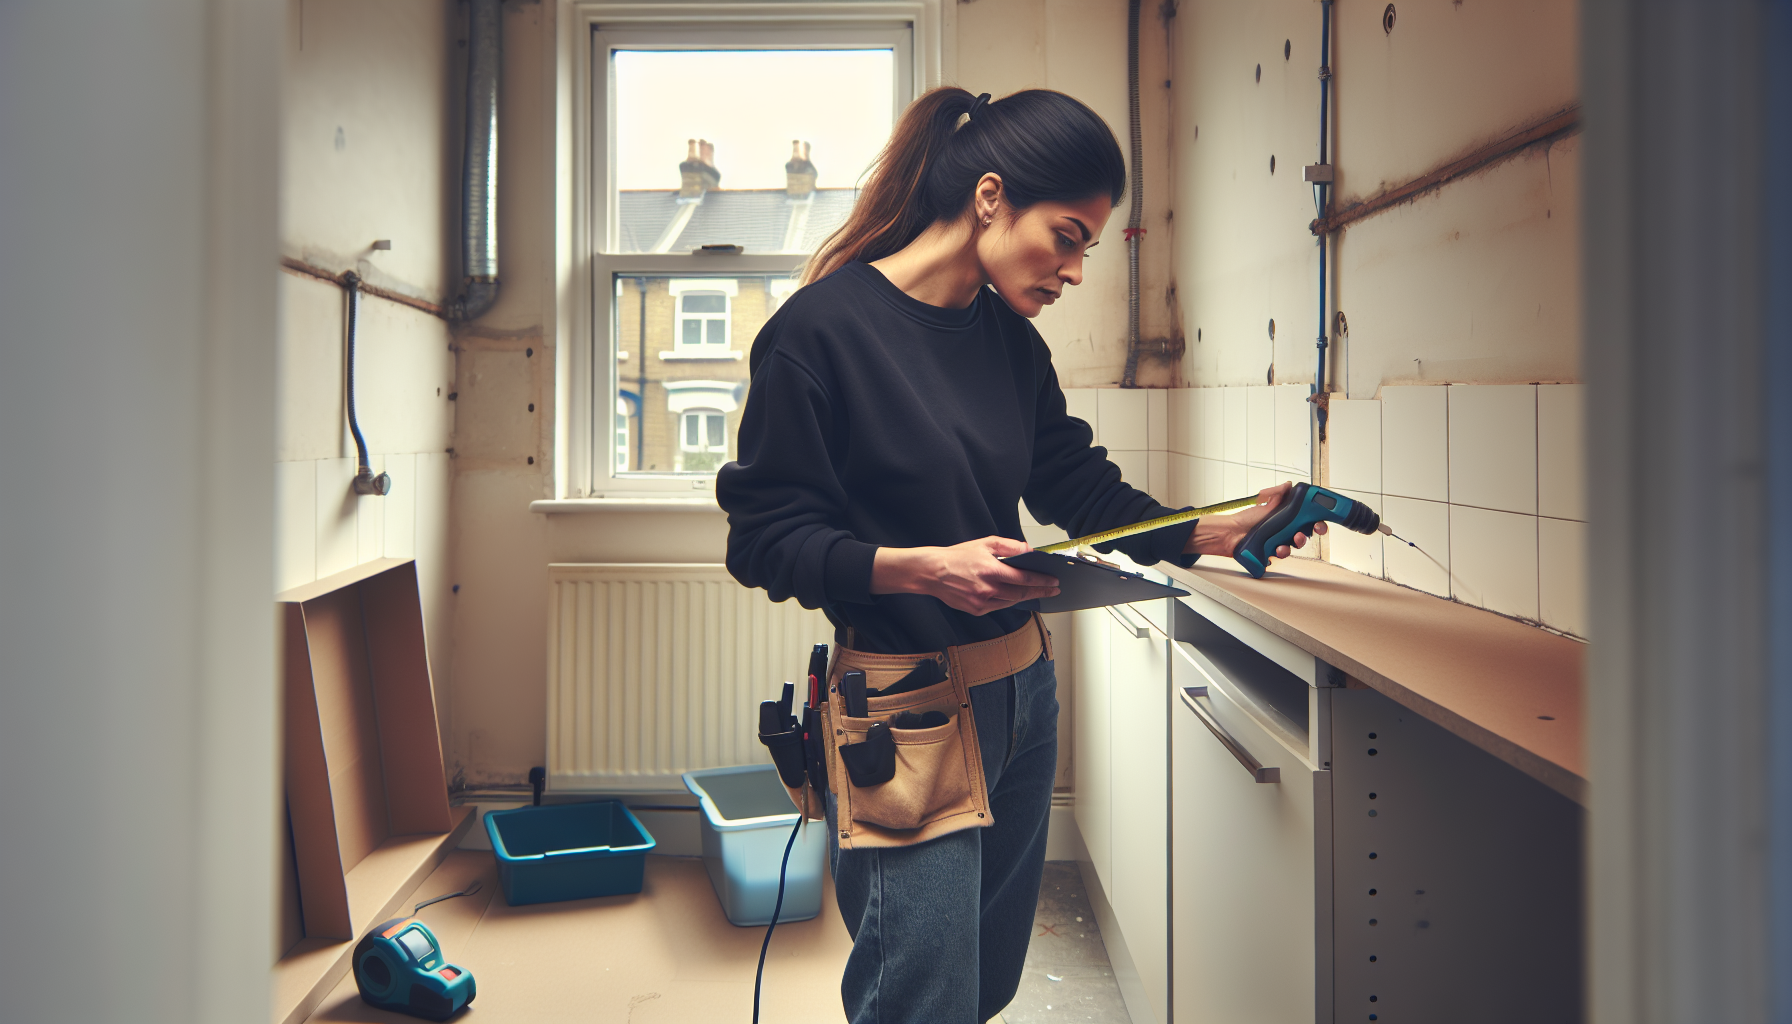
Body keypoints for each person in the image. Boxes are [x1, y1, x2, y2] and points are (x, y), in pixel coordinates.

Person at [717, 86, 1322, 1024]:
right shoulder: (818, 334)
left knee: (987, 983)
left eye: (1087, 246)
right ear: (991, 197)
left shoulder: (1007, 340)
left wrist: (1214, 530)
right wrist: (927, 567)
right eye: (1069, 236)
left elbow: (1078, 490)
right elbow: (763, 542)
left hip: (1024, 696)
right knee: (923, 1000)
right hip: (903, 707)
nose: (1077, 270)